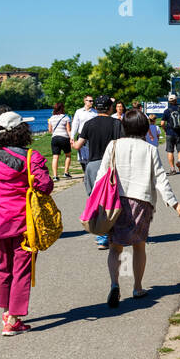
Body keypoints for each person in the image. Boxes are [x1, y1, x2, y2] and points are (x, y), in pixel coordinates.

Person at [0, 111, 53, 336]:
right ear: (21, 131)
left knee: (3, 267)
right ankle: (13, 319)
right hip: (24, 223)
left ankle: (6, 312)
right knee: (22, 269)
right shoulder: (31, 158)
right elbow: (45, 186)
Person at [96, 108, 180, 308]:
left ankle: (114, 284)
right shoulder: (150, 149)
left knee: (115, 247)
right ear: (146, 129)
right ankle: (137, 286)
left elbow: (102, 175)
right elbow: (161, 179)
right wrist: (174, 203)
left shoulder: (113, 145)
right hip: (141, 201)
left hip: (115, 201)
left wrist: (95, 201)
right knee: (138, 245)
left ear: (124, 127)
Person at [74, 94, 125, 250]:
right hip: (112, 164)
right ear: (110, 108)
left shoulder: (89, 124)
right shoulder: (117, 123)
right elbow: (123, 144)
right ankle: (115, 233)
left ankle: (102, 236)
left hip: (93, 164)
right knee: (115, 198)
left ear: (96, 108)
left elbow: (78, 145)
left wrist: (73, 141)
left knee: (96, 199)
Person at [162, 94, 180, 173]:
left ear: (169, 101)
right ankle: (179, 161)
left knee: (170, 151)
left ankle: (172, 168)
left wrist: (165, 130)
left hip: (170, 133)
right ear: (176, 100)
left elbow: (162, 123)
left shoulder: (166, 111)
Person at [47, 102, 72, 180]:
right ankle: (66, 172)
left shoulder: (51, 118)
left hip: (54, 138)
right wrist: (71, 138)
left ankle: (55, 176)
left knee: (55, 157)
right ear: (62, 108)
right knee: (68, 155)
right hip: (64, 138)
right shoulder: (66, 117)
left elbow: (50, 130)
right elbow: (69, 130)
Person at [70, 94, 98, 166]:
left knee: (91, 155)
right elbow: (75, 124)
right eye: (90, 101)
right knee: (82, 157)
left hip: (92, 137)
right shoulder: (79, 112)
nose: (91, 102)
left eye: (92, 101)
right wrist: (72, 137)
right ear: (85, 101)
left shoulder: (95, 112)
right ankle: (85, 173)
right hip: (81, 136)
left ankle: (90, 173)